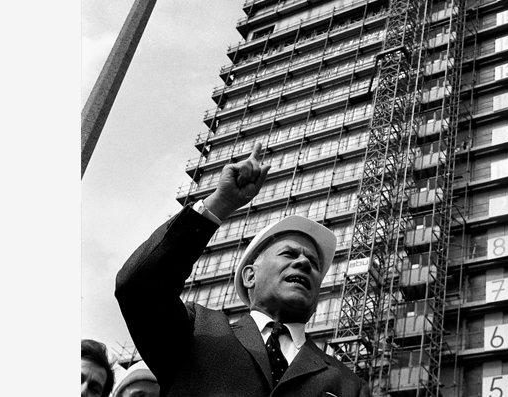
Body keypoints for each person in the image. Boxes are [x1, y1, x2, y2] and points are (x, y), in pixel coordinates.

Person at [116, 143, 369, 397]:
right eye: (289, 254)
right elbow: (139, 288)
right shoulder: (195, 332)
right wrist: (221, 203)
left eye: (314, 264)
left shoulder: (349, 385)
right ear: (250, 276)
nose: (304, 264)